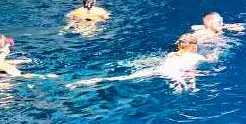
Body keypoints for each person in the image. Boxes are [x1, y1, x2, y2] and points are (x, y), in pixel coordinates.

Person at [69, 34, 206, 87]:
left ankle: (89, 81)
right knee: (185, 86)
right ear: (194, 46)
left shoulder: (171, 54)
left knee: (123, 78)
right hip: (173, 74)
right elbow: (192, 71)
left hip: (158, 70)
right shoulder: (197, 57)